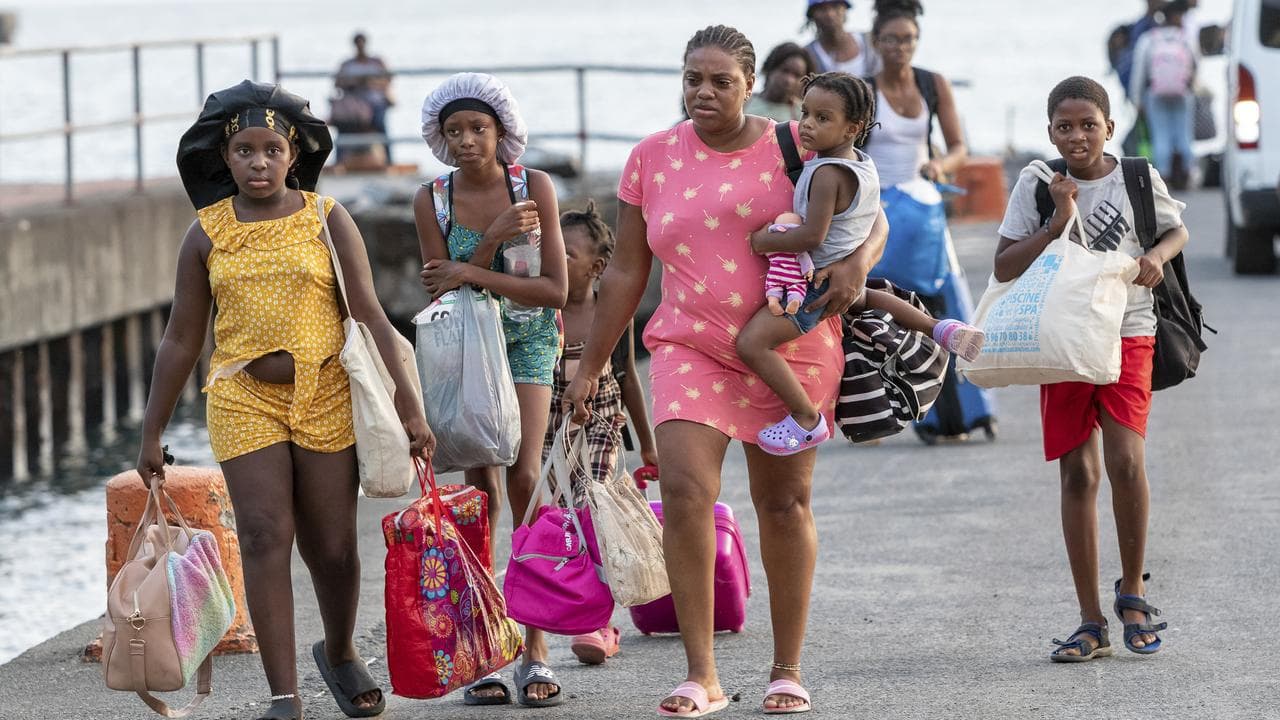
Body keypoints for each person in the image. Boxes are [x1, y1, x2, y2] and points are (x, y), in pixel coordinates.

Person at [564, 24, 889, 717]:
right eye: (693, 79)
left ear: (750, 85)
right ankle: (701, 674)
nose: (704, 92)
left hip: (787, 343)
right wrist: (591, 366)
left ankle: (786, 669)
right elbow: (625, 272)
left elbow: (870, 211)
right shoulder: (650, 158)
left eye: (721, 81)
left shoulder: (798, 142)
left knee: (784, 503)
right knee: (684, 492)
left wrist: (857, 265)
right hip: (687, 346)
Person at [141, 80, 434, 720]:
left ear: (293, 155)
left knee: (332, 546)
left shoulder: (326, 218)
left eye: (272, 150)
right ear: (226, 157)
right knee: (263, 533)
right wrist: (151, 431)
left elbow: (370, 314)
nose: (259, 162)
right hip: (243, 397)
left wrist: (410, 406)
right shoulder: (206, 233)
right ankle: (284, 695)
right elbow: (182, 338)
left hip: (327, 392)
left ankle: (339, 650)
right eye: (244, 151)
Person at [993, 76, 1187, 662]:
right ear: (1050, 131)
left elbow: (1176, 229)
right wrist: (1057, 218)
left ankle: (1133, 593)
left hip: (1129, 329)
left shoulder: (1136, 176)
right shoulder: (1037, 182)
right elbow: (1004, 266)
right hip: (1063, 338)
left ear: (1109, 126)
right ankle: (1090, 620)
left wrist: (1155, 257)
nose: (1077, 136)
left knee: (1126, 461)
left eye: (1088, 125)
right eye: (1064, 126)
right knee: (1078, 473)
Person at [412, 72, 568, 708]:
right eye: (454, 131)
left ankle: (537, 646)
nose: (467, 140)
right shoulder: (432, 199)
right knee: (481, 492)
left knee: (525, 476)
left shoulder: (535, 187)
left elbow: (555, 290)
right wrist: (495, 239)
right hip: (467, 345)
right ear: (441, 139)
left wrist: (470, 266)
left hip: (529, 339)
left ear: (502, 131)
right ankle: (484, 648)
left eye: (479, 128)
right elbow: (438, 287)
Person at [739, 72, 984, 456]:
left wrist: (763, 241)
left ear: (852, 128)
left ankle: (805, 418)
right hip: (845, 270)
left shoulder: (826, 173)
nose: (807, 124)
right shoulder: (863, 163)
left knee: (752, 343)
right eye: (805, 113)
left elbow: (811, 236)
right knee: (870, 297)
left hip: (815, 284)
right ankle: (940, 328)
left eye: (823, 118)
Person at [863, 0, 996, 444]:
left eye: (908, 39)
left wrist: (940, 166)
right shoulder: (864, 91)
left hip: (924, 211)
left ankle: (972, 412)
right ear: (875, 42)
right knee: (888, 310)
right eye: (890, 39)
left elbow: (958, 147)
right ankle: (893, 412)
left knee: (950, 306)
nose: (900, 47)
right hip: (879, 213)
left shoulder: (931, 83)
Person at [545, 201, 660, 667]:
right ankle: (583, 609)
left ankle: (598, 622)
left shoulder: (612, 311)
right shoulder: (542, 312)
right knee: (565, 520)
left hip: (603, 422)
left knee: (592, 510)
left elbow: (629, 377)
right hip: (553, 428)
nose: (554, 258)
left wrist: (648, 444)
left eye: (566, 253)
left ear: (596, 268)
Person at [1129, 0, 1197, 188]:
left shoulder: (1149, 39)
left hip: (1155, 94)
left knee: (1160, 135)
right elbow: (1195, 65)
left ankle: (1163, 177)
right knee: (1184, 134)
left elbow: (1139, 72)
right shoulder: (1185, 39)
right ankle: (1187, 173)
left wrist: (1136, 99)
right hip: (1182, 93)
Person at [333, 32, 395, 163]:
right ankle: (338, 162)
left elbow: (388, 79)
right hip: (354, 107)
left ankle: (389, 161)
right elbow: (337, 83)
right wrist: (354, 82)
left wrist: (371, 82)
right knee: (343, 127)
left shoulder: (377, 62)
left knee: (380, 124)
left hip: (375, 104)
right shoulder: (347, 64)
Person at [804, 0, 881, 77]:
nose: (830, 14)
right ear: (812, 14)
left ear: (845, 9)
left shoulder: (871, 40)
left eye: (835, 7)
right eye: (822, 9)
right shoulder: (807, 54)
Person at [745, 42, 815, 122]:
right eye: (785, 71)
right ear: (770, 69)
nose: (789, 80)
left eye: (797, 75)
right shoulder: (744, 103)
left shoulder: (803, 115)